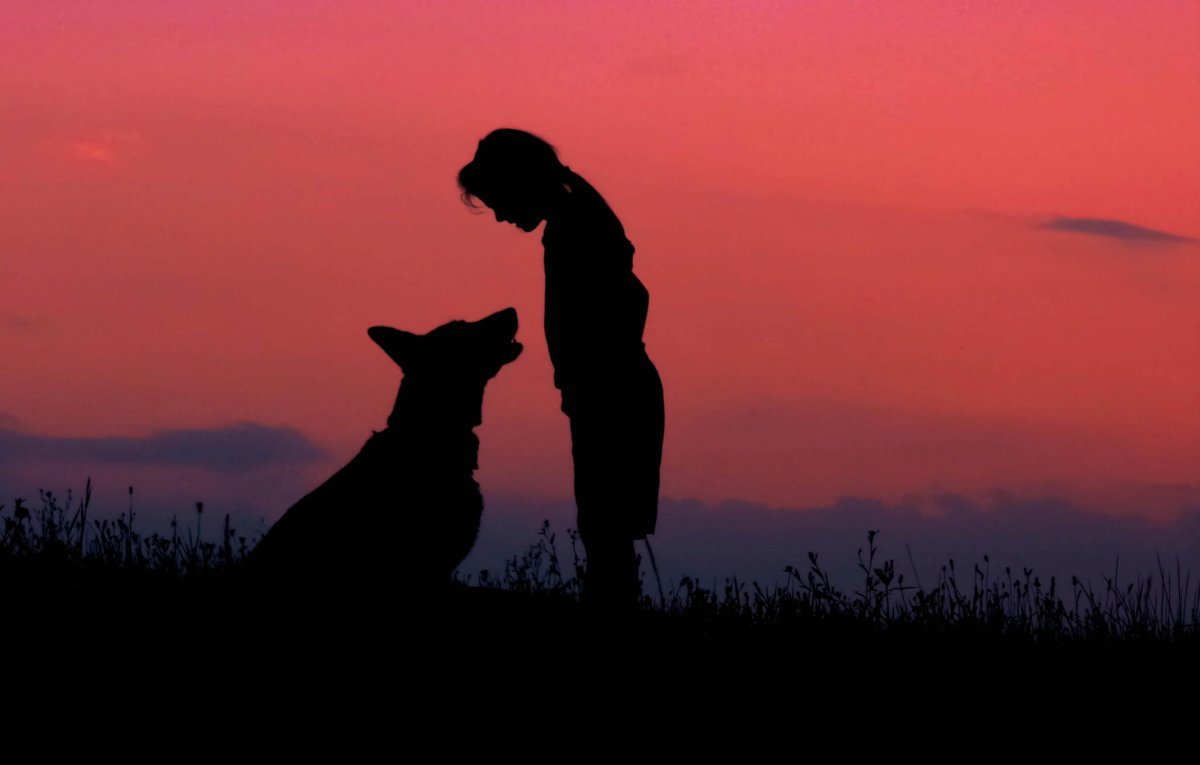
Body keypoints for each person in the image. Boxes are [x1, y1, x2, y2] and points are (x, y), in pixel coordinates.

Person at [457, 128, 665, 608]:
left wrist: (590, 377)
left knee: (605, 526)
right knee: (606, 525)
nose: (504, 216)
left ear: (520, 182)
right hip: (609, 387)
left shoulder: (577, 225)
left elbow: (627, 302)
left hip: (612, 391)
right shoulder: (577, 214)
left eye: (500, 201)